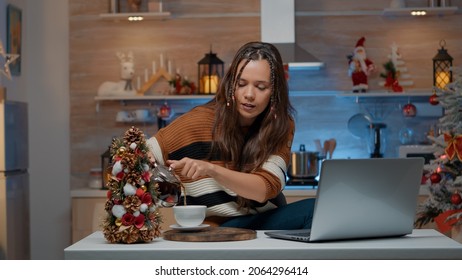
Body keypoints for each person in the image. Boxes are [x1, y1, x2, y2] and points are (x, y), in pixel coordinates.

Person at [147, 41, 315, 230]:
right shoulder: (196, 121)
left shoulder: (281, 125)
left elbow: (264, 189)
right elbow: (137, 155)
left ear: (274, 92)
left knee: (317, 210)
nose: (249, 94)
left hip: (264, 221)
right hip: (217, 229)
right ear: (230, 86)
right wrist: (151, 166)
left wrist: (211, 169)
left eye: (261, 87)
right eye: (241, 84)